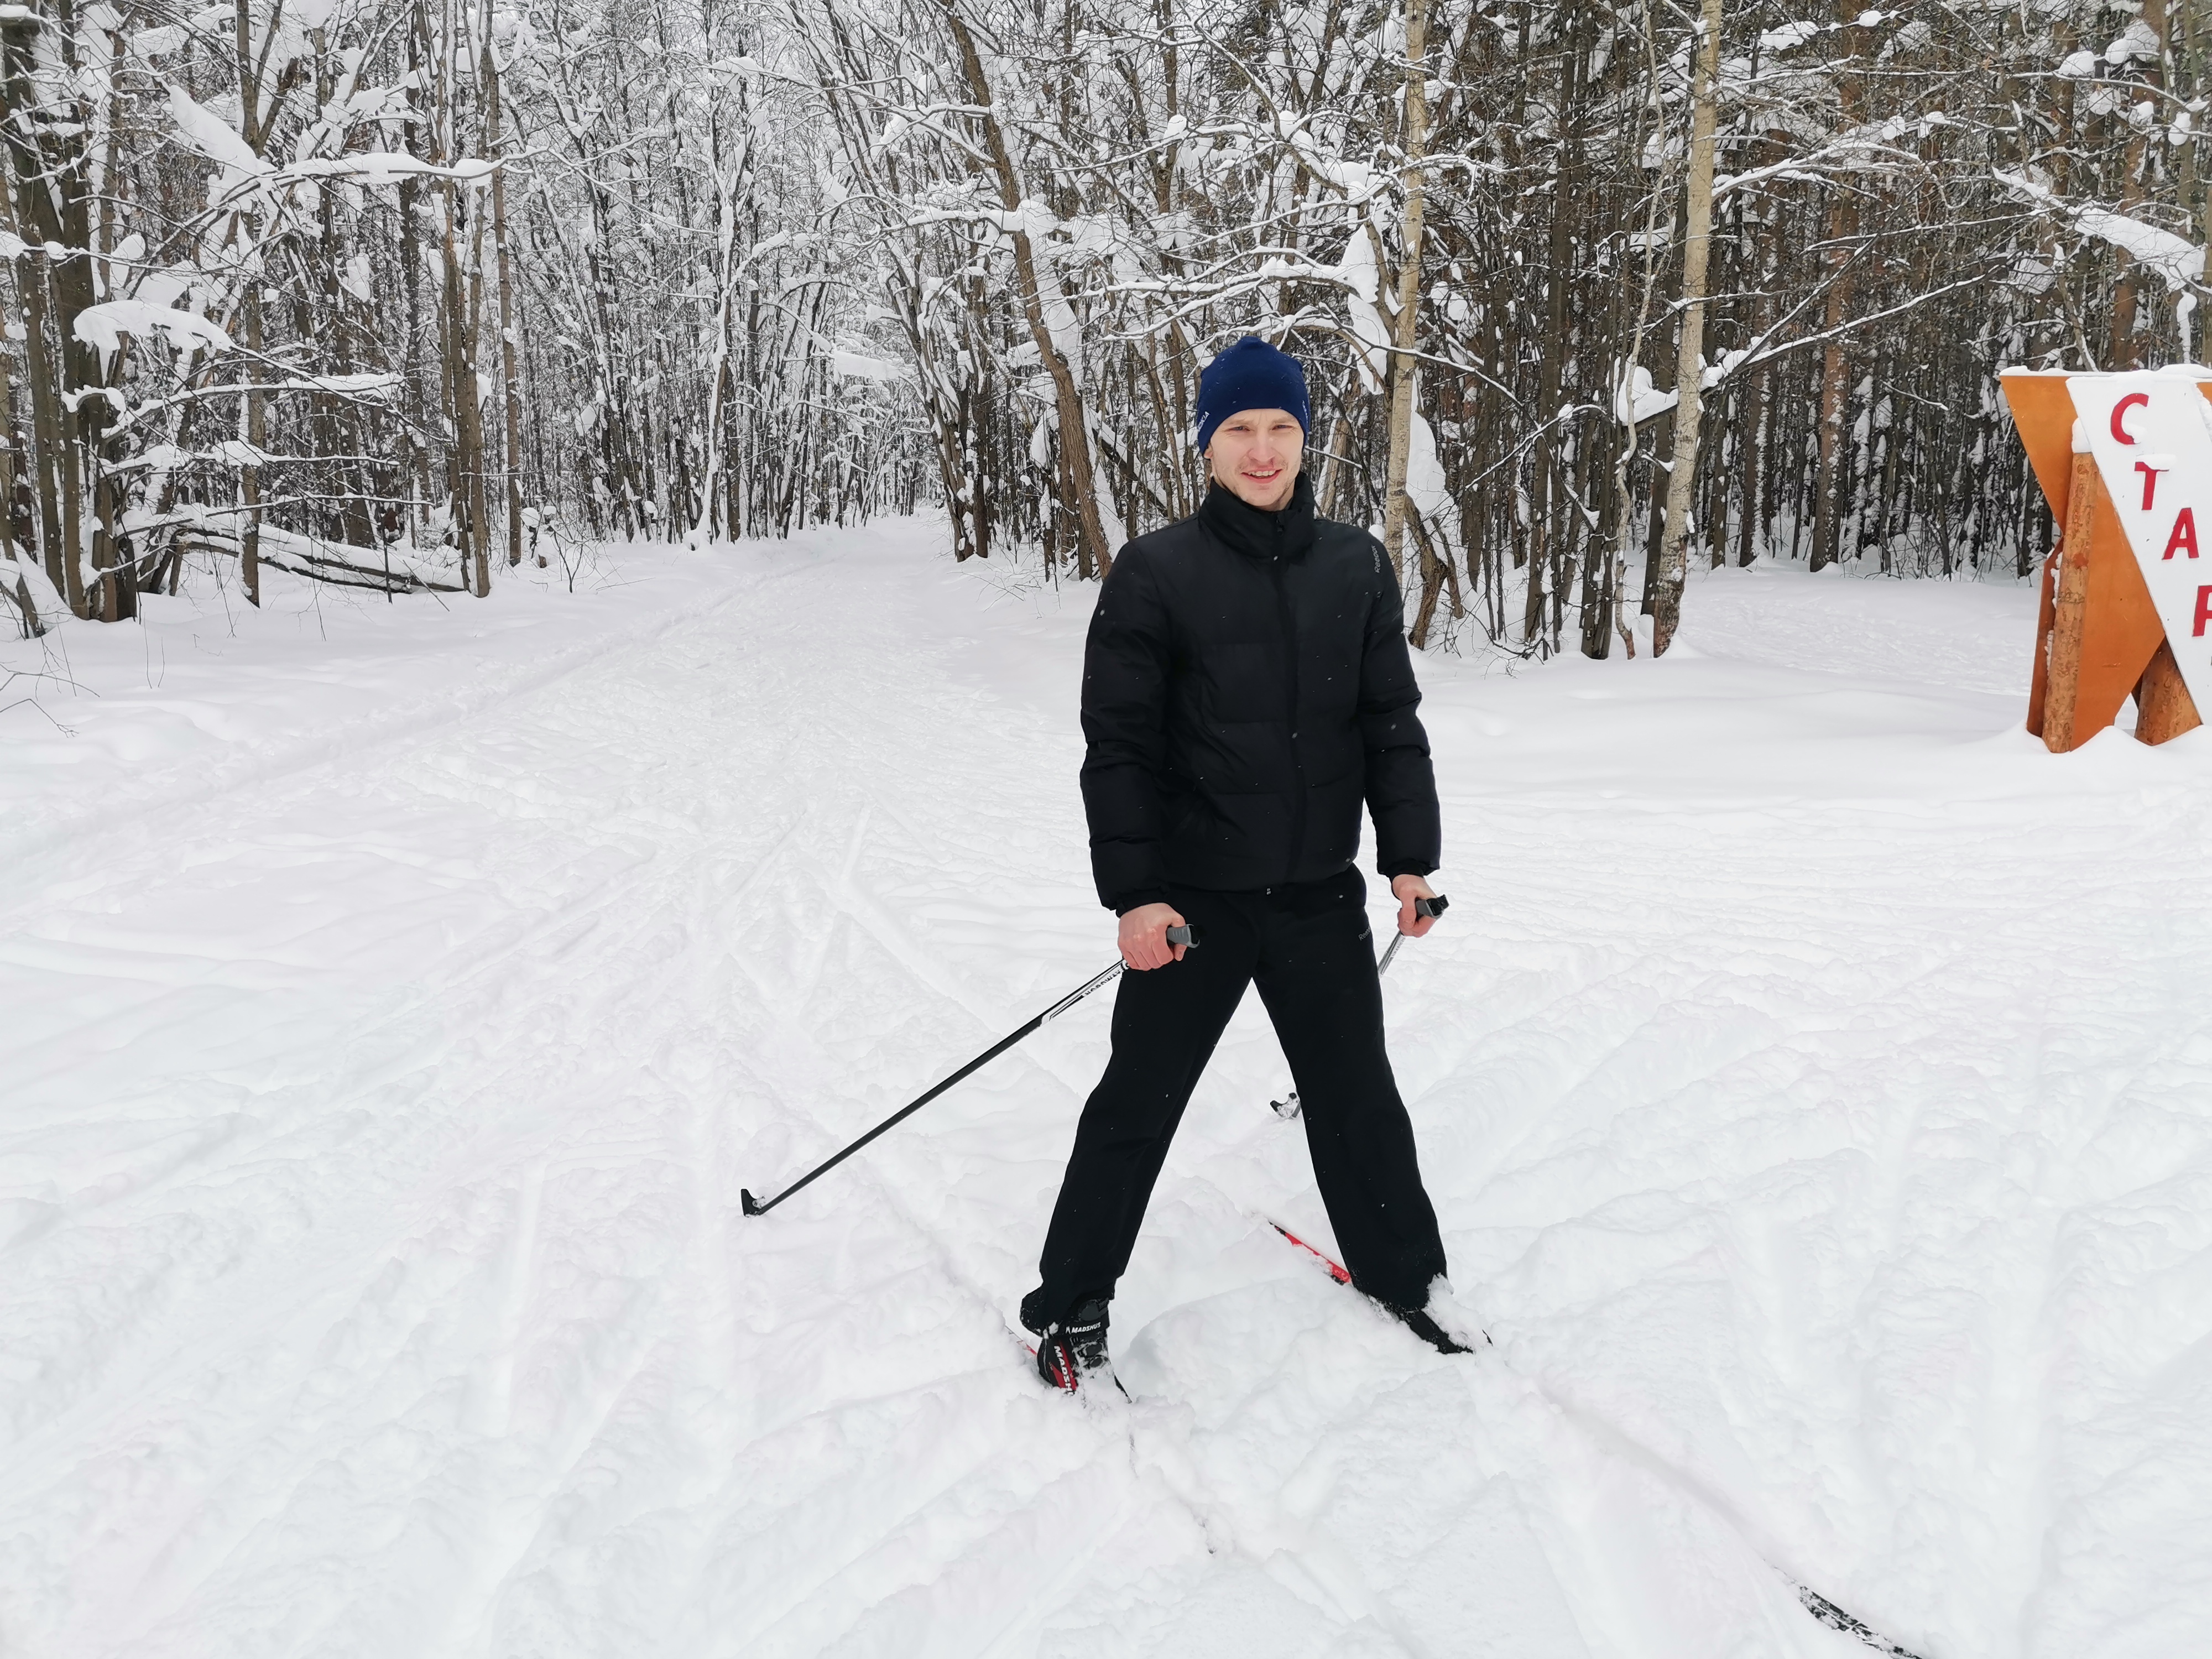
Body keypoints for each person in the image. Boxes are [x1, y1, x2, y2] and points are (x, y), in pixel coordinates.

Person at [1020, 335, 1465, 1392]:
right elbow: (1118, 748)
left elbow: (1389, 724)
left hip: (1318, 896)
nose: (1262, 451)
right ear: (1207, 443)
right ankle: (1071, 1303)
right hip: (1196, 908)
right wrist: (1136, 895)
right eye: (1239, 430)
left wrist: (1408, 861)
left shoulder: (1356, 563)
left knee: (1359, 1099)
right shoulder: (1157, 573)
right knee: (1138, 1104)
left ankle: (1410, 1279)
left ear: (1305, 439)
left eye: (1280, 429)